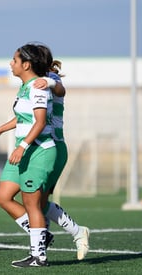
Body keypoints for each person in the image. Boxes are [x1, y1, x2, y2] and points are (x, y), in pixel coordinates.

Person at [0, 43, 56, 267]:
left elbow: (40, 121)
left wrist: (22, 146)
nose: (10, 64)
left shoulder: (37, 86)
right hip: (23, 149)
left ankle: (39, 256)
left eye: (14, 60)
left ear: (26, 64)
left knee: (32, 204)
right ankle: (42, 234)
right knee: (3, 197)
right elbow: (24, 118)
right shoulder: (25, 87)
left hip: (37, 151)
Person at [33, 45, 90, 261]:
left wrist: (49, 81)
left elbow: (60, 90)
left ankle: (77, 231)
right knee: (36, 200)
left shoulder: (50, 78)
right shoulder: (34, 81)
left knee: (36, 200)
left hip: (53, 146)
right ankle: (42, 246)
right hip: (40, 147)